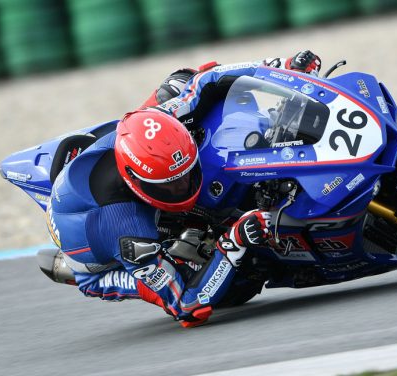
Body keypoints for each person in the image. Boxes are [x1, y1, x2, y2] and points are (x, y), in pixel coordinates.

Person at [41, 51, 322, 327]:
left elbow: (207, 80)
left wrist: (279, 69)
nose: (186, 186)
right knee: (213, 275)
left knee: (183, 79)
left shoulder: (165, 118)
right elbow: (187, 305)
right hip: (97, 258)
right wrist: (234, 242)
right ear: (139, 184)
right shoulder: (129, 235)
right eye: (174, 186)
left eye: (188, 175)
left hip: (112, 162)